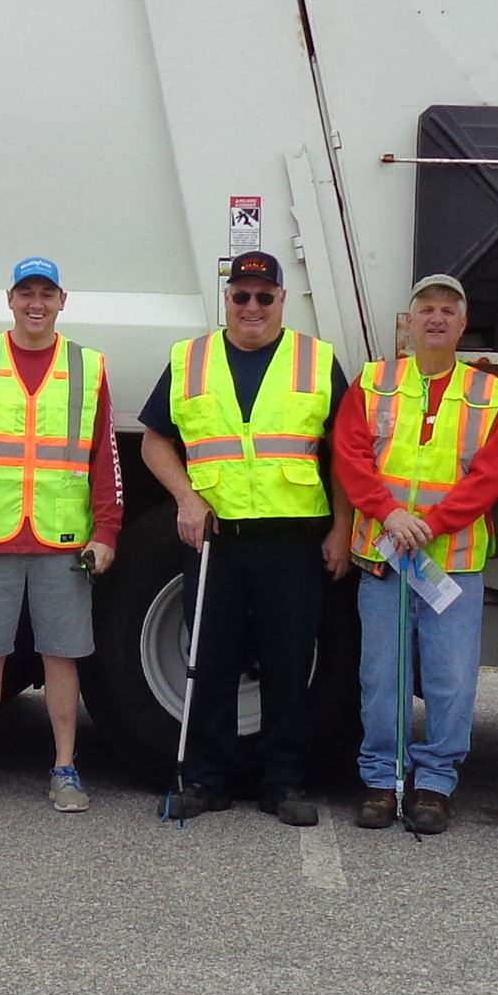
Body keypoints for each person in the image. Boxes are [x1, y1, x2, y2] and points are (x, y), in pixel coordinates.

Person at [138, 251, 350, 825]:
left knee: (287, 662)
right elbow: (154, 441)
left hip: (293, 538)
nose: (251, 306)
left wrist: (343, 526)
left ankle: (284, 781)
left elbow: (344, 451)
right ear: (227, 299)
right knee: (211, 660)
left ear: (282, 300)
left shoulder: (316, 359)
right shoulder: (191, 359)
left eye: (264, 296)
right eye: (241, 295)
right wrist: (186, 497)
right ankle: (207, 779)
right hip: (216, 540)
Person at [0, 256, 124, 811]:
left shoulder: (89, 368)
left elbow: (104, 458)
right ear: (10, 299)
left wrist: (107, 530)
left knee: (61, 656)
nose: (35, 303)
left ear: (62, 300)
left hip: (63, 540)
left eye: (46, 293)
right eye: (26, 293)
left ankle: (65, 768)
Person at [332, 274, 498, 834]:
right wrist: (390, 515)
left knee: (450, 680)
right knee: (380, 676)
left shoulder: (489, 394)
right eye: (426, 309)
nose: (436, 319)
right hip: (385, 558)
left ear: (463, 325)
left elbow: (489, 477)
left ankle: (434, 785)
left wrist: (429, 524)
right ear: (407, 325)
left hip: (452, 561)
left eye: (448, 311)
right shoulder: (374, 382)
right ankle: (382, 782)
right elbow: (351, 456)